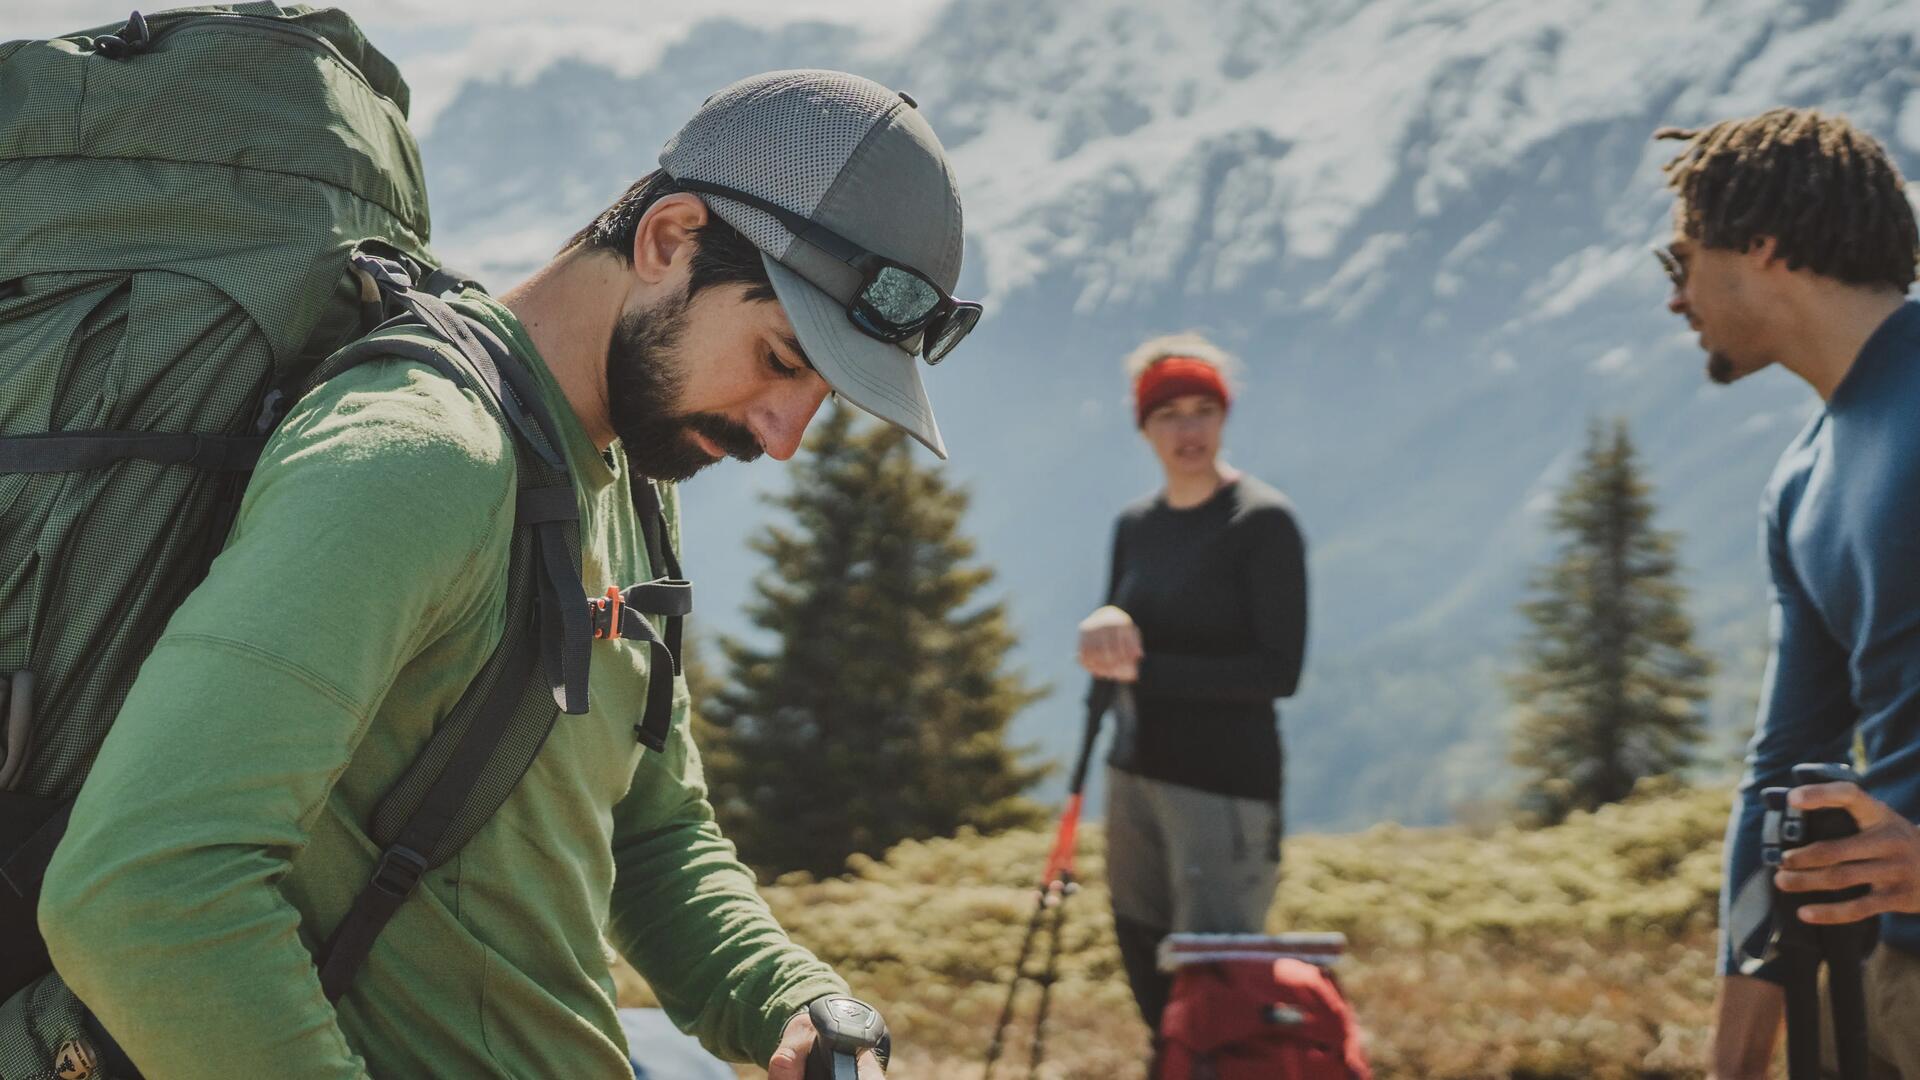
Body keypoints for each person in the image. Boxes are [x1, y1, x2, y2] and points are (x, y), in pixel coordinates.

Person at [34, 69, 978, 1079]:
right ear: (669, 240)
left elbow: (650, 826)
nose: (787, 436)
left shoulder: (628, 473)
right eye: (783, 357)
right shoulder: (420, 460)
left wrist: (796, 1000)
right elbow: (144, 884)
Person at [1652, 107, 1920, 1080]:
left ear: (1759, 245)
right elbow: (1781, 769)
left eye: (1678, 262)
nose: (1676, 302)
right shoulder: (1801, 482)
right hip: (1878, 987)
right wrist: (1733, 1066)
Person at [1075, 334, 1308, 1037]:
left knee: (1220, 986)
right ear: (1144, 427)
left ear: (1224, 418)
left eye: (1204, 409)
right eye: (1170, 413)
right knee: (1147, 969)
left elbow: (1278, 672)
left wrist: (1141, 667)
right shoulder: (1135, 525)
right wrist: (1106, 623)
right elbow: (1118, 636)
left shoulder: (1262, 523)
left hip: (1223, 789)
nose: (1189, 428)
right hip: (1134, 778)